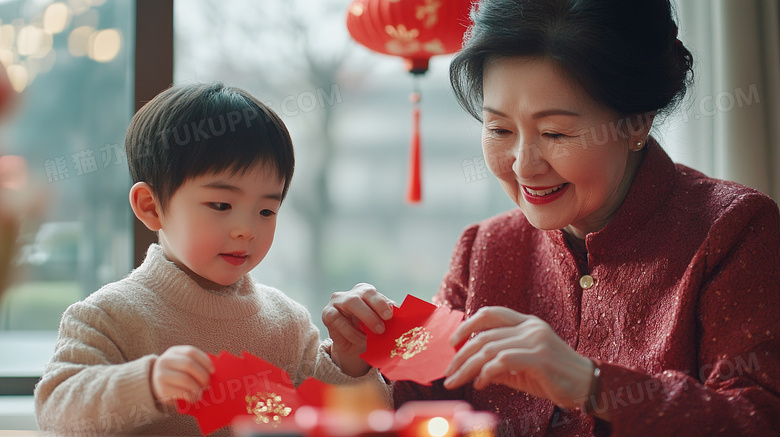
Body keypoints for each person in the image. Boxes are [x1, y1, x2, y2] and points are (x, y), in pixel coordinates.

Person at [323, 0, 780, 435]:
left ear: (637, 121)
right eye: (499, 129)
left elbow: (759, 417)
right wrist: (359, 363)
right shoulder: (485, 248)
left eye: (554, 132)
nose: (523, 165)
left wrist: (592, 384)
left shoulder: (733, 230)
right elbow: (427, 411)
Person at [35, 82, 389, 436]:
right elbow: (55, 410)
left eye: (267, 210)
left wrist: (351, 361)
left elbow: (359, 422)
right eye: (221, 205)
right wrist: (147, 384)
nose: (246, 229)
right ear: (151, 206)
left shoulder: (287, 324)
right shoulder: (109, 316)